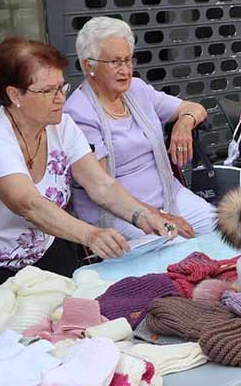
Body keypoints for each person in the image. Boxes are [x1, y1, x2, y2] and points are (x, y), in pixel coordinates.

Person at [0, 37, 175, 307]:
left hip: (39, 251)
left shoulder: (62, 126)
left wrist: (142, 215)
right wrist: (90, 235)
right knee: (35, 319)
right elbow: (29, 205)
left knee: (91, 303)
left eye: (62, 87)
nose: (61, 99)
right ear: (15, 95)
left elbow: (100, 184)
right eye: (48, 91)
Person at [65, 16, 215, 242]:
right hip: (120, 214)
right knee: (178, 247)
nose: (125, 70)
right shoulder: (79, 113)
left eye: (128, 60)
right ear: (89, 65)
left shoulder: (138, 90)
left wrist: (184, 124)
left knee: (227, 231)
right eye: (115, 62)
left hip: (169, 195)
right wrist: (159, 216)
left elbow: (194, 108)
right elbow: (103, 188)